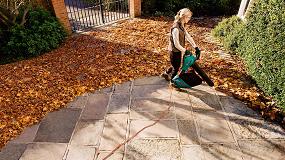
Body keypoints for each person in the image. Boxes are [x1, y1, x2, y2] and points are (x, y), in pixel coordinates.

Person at [161, 8, 201, 82]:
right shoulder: (176, 28)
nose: (189, 19)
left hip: (178, 50)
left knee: (175, 65)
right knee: (176, 67)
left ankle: (165, 73)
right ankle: (172, 83)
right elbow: (176, 44)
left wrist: (196, 47)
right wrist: (185, 51)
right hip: (174, 50)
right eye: (189, 17)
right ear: (184, 17)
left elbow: (188, 36)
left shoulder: (181, 25)